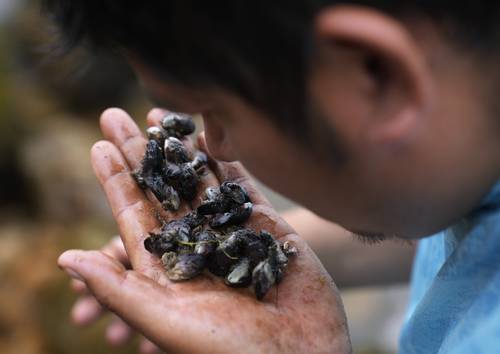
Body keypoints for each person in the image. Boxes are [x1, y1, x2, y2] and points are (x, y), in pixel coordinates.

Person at [44, 1, 500, 353]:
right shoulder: (460, 171)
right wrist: (261, 260)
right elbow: (451, 241)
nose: (214, 143)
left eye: (217, 110)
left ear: (373, 73)